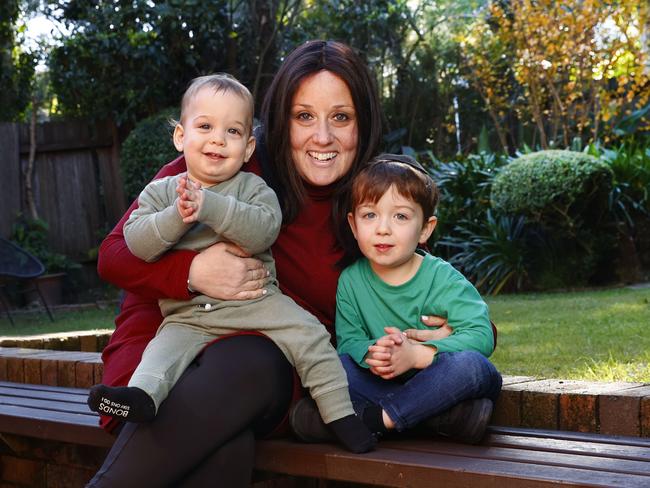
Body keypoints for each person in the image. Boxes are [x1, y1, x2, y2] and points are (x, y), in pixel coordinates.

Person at [88, 40, 495, 487]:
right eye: (304, 117)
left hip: (277, 374)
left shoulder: (372, 200)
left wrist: (453, 336)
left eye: (341, 117)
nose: (322, 137)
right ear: (281, 121)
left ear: (364, 123)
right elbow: (114, 257)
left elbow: (423, 287)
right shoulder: (223, 157)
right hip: (166, 351)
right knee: (227, 443)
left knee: (254, 361)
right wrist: (190, 273)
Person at [86, 73, 374, 454]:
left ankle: (341, 416)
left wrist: (210, 205)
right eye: (304, 116)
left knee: (302, 339)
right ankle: (138, 397)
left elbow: (261, 231)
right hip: (187, 316)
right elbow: (127, 248)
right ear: (180, 137)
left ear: (249, 143)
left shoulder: (256, 187)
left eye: (340, 117)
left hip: (259, 323)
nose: (218, 139)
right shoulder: (171, 185)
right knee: (162, 357)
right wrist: (186, 247)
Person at [335, 154, 502, 444]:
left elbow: (481, 335)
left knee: (472, 367)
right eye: (369, 215)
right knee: (338, 365)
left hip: (439, 378)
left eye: (400, 216)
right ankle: (438, 420)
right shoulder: (351, 280)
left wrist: (416, 354)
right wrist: (379, 352)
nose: (382, 228)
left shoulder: (442, 278)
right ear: (353, 224)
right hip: (384, 382)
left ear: (425, 228)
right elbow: (349, 341)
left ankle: (378, 420)